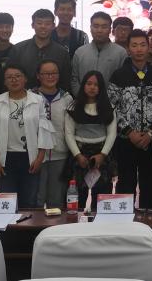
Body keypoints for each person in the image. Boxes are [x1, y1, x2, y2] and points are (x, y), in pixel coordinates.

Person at [108, 30, 152, 208]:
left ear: (148, 47)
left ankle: (148, 217)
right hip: (126, 140)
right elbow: (111, 108)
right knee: (125, 183)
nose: (139, 49)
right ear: (128, 49)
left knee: (150, 183)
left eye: (142, 45)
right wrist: (129, 132)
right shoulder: (118, 75)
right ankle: (124, 219)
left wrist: (151, 133)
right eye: (134, 45)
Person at [0, 64, 53, 208]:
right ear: (4, 81)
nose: (14, 80)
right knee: (7, 203)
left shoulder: (38, 100)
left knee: (30, 202)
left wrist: (40, 159)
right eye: (9, 77)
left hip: (30, 158)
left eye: (18, 76)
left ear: (25, 79)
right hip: (5, 159)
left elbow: (44, 131)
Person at [65, 71, 116, 210]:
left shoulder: (109, 107)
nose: (92, 87)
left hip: (102, 153)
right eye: (89, 84)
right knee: (77, 198)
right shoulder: (72, 107)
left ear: (101, 88)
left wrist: (102, 155)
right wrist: (78, 155)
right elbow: (68, 134)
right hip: (79, 153)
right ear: (83, 86)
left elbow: (112, 134)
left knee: (101, 197)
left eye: (96, 85)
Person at [33, 60, 73, 209]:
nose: (50, 77)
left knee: (56, 201)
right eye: (46, 73)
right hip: (35, 156)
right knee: (36, 199)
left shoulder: (67, 98)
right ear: (38, 76)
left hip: (60, 155)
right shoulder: (30, 96)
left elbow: (70, 128)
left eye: (54, 73)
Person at [8, 9, 71, 92]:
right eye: (39, 23)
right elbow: (9, 77)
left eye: (47, 24)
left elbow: (65, 81)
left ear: (53, 26)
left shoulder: (62, 52)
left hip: (53, 98)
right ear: (32, 25)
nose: (43, 26)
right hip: (23, 97)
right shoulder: (18, 49)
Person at [71, 12, 127, 94]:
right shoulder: (80, 52)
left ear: (110, 30)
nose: (99, 30)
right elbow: (74, 79)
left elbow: (123, 81)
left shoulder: (120, 53)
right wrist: (82, 97)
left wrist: (111, 99)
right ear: (90, 28)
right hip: (83, 100)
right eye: (96, 26)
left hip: (111, 101)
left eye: (104, 27)